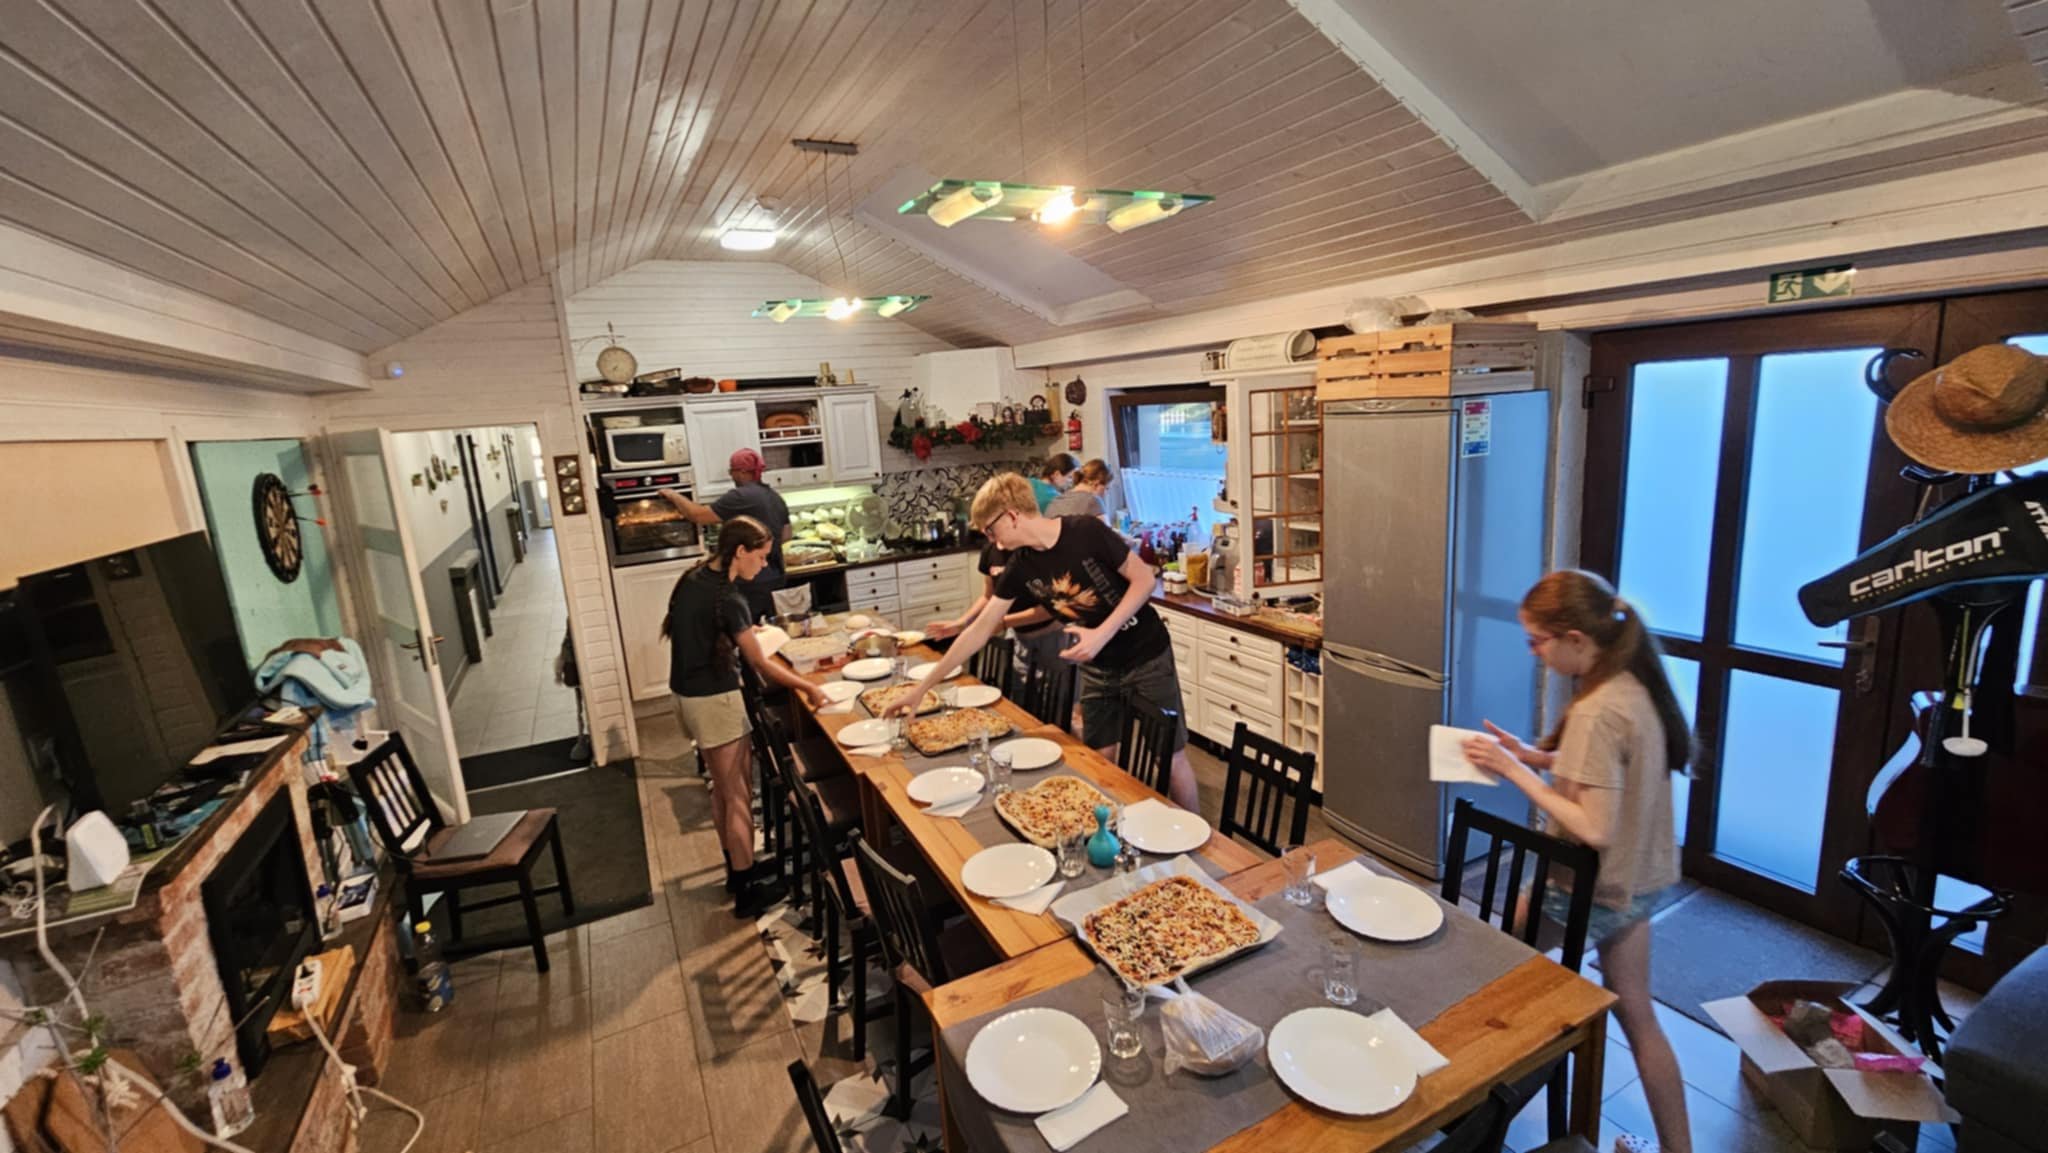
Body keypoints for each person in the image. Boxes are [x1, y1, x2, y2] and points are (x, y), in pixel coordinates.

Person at [1462, 570, 1693, 1153]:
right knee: (1638, 1016)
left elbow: (1593, 825)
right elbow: (1600, 773)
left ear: (1573, 638)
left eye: (1536, 641)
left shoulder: (1596, 710)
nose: (1533, 653)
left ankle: (1476, 1107)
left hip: (1591, 884)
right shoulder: (1628, 683)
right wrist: (1530, 754)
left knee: (1493, 971)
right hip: (1637, 880)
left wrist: (1513, 771)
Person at [888, 473, 1199, 811]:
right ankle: (1107, 831)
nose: (992, 541)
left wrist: (1101, 634)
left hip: (1146, 655)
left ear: (1011, 515)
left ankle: (1204, 839)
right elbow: (980, 630)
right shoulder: (1021, 566)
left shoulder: (1085, 531)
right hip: (1098, 667)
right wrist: (922, 690)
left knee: (1169, 759)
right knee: (1100, 759)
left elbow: (1144, 580)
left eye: (991, 530)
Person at [664, 515, 828, 917]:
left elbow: (703, 631)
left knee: (721, 790)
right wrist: (808, 687)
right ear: (740, 551)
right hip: (714, 701)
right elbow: (760, 663)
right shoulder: (729, 598)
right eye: (761, 556)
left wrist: (742, 632)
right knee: (737, 794)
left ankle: (737, 873)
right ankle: (747, 892)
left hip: (685, 696)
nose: (765, 565)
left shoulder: (693, 577)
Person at [661, 449, 792, 621]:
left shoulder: (740, 496)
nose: (731, 475)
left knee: (744, 627)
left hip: (751, 580)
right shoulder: (775, 496)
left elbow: (698, 516)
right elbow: (786, 534)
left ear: (743, 472)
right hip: (776, 577)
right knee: (768, 627)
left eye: (732, 470)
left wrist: (673, 495)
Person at [1044, 458, 1114, 524]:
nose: (1105, 494)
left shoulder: (1056, 501)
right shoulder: (1093, 501)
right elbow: (1107, 531)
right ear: (1096, 484)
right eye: (1106, 488)